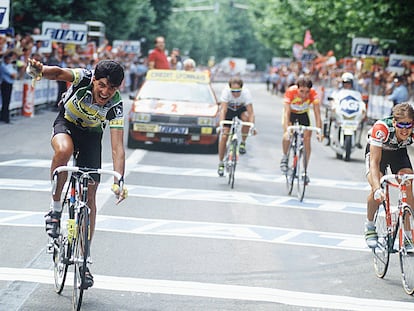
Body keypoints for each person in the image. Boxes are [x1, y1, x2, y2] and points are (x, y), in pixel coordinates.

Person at [26, 57, 128, 287]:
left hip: (92, 137)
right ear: (94, 79)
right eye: (101, 85)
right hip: (67, 124)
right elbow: (59, 73)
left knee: (90, 195)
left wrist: (119, 179)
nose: (105, 92)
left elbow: (117, 146)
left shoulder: (116, 105)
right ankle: (55, 210)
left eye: (112, 88)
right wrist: (41, 70)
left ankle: (84, 261)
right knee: (64, 150)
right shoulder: (82, 77)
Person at [364, 103, 414, 248]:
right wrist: (377, 187)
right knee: (376, 187)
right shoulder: (382, 129)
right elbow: (374, 162)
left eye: (408, 125)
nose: (405, 130)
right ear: (394, 122)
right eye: (401, 125)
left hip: (398, 153)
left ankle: (408, 234)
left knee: (408, 183)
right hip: (378, 153)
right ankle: (370, 226)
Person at [280, 76, 322, 183]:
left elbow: (317, 114)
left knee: (307, 139)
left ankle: (304, 170)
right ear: (297, 88)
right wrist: (286, 130)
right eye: (301, 91)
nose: (304, 95)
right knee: (288, 135)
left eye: (307, 92)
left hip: (303, 115)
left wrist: (319, 131)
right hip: (292, 114)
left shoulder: (313, 94)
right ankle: (285, 158)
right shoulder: (290, 92)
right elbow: (286, 113)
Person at [217, 77, 255, 176]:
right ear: (230, 89)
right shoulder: (226, 92)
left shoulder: (246, 93)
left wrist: (252, 127)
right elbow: (223, 110)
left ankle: (243, 142)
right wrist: (221, 124)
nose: (235, 93)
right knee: (224, 136)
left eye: (238, 91)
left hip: (240, 109)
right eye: (233, 91)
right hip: (229, 109)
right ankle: (221, 163)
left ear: (241, 89)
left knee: (246, 119)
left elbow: (251, 112)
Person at [327, 72, 366, 148]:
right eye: (345, 83)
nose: (347, 85)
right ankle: (328, 136)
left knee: (362, 122)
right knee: (330, 117)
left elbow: (360, 102)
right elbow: (332, 100)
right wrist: (332, 104)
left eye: (348, 83)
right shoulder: (338, 92)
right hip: (340, 114)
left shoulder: (356, 93)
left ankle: (358, 140)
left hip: (351, 115)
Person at [0, 51, 18, 123]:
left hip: (10, 84)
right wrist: (13, 75)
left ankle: (4, 116)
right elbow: (12, 75)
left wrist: (14, 75)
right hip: (5, 84)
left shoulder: (10, 65)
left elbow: (15, 74)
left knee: (7, 101)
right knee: (5, 101)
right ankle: (5, 117)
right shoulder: (3, 66)